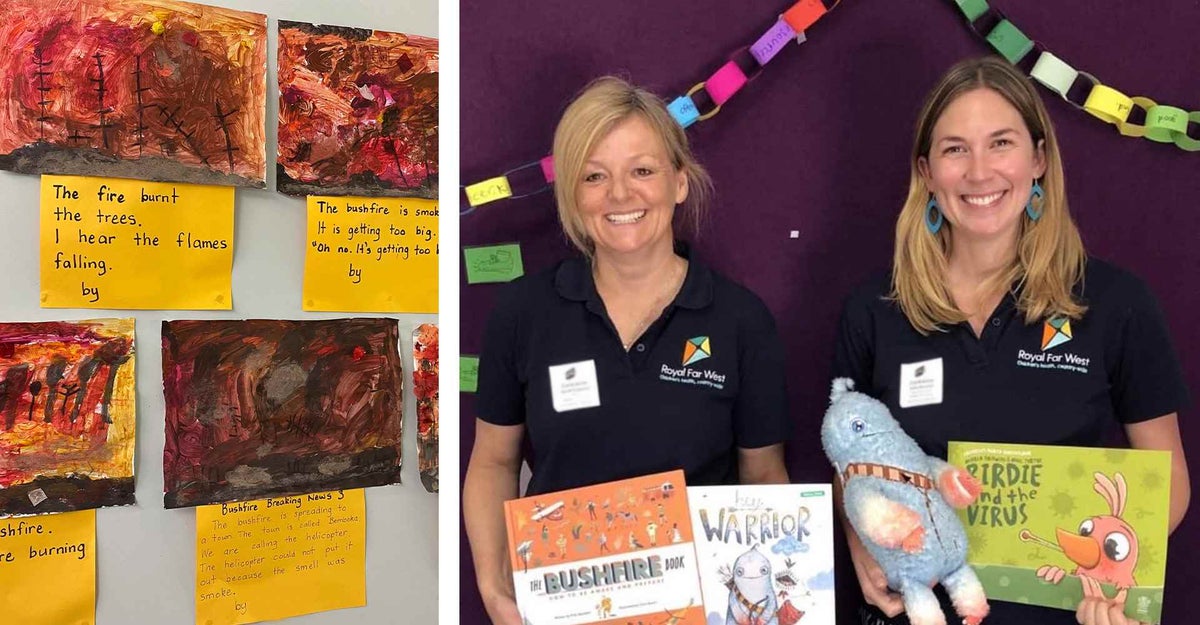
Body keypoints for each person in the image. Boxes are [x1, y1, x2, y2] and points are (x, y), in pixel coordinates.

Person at [833, 56, 1191, 625]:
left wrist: (1116, 571)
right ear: (926, 171)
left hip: (1064, 610)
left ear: (1039, 159)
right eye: (955, 149)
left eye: (1001, 143)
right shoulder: (875, 309)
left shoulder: (1116, 303)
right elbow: (850, 462)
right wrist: (859, 539)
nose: (979, 173)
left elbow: (1166, 480)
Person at [463, 76, 792, 625]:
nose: (620, 195)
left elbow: (763, 479)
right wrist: (493, 585)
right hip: (563, 608)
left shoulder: (740, 320)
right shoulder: (524, 313)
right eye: (595, 176)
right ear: (572, 193)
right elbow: (494, 461)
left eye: (642, 170)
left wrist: (765, 600)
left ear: (680, 182)